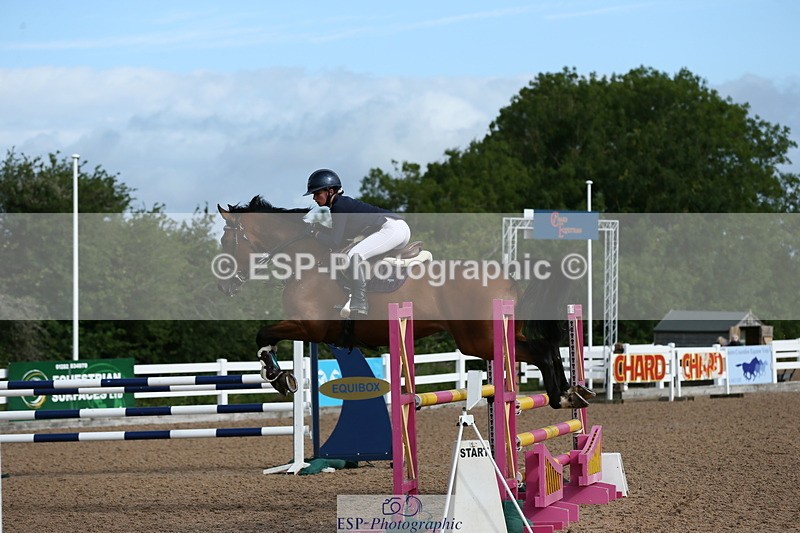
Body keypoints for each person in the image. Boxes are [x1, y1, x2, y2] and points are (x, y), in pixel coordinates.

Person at [304, 168, 411, 316]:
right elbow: (340, 237)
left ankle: (359, 301)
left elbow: (335, 243)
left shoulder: (339, 206)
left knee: (354, 255)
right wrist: (318, 230)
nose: (314, 198)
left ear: (330, 191)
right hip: (398, 229)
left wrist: (313, 233)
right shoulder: (342, 204)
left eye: (317, 193)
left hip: (392, 228)